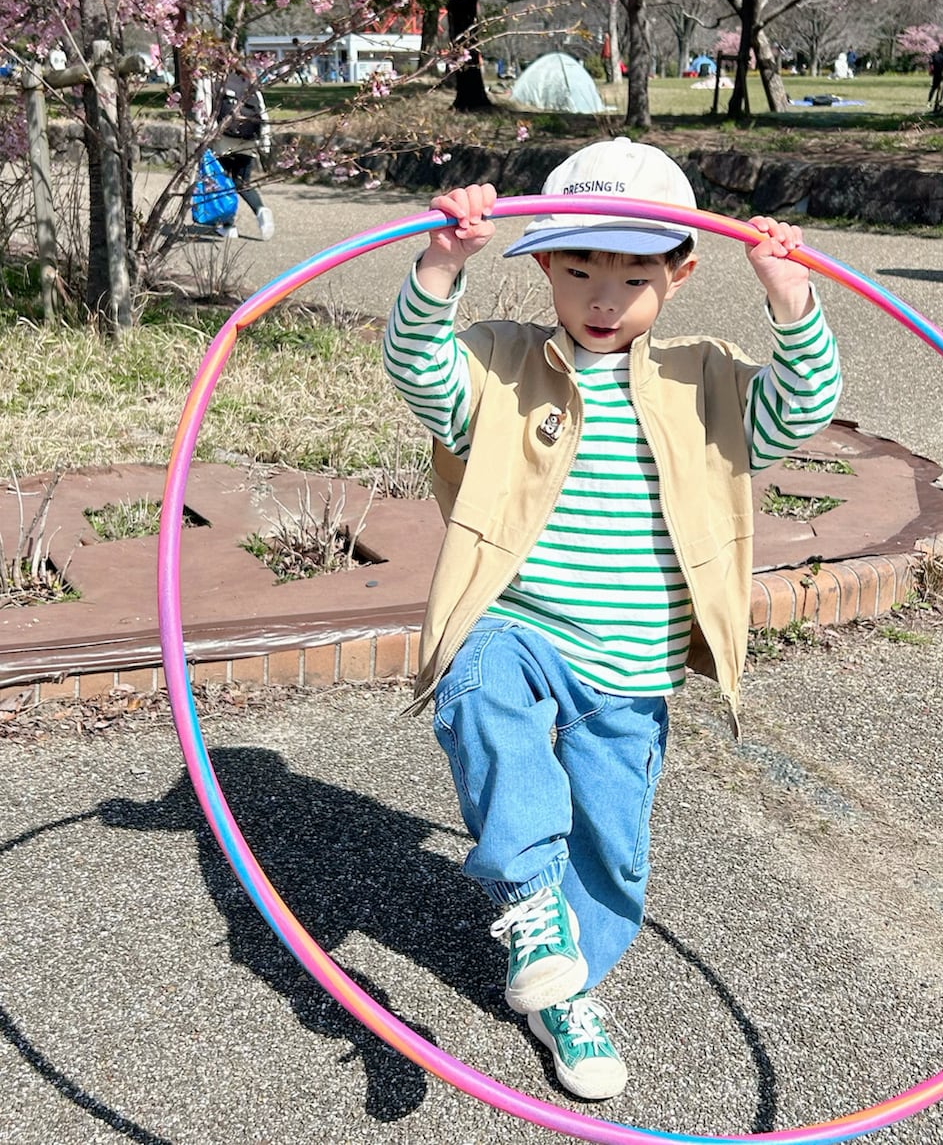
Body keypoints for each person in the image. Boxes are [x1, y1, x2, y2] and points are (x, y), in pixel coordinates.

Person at [382, 137, 842, 1101]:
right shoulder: (503, 362)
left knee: (614, 852)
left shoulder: (704, 378)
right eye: (579, 268)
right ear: (544, 263)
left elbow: (802, 408)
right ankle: (532, 904)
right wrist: (439, 270)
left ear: (679, 274)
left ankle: (564, 986)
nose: (602, 297)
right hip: (520, 622)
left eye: (633, 274)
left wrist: (789, 294)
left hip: (633, 666)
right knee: (481, 684)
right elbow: (423, 377)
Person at [195, 64, 275, 241]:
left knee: (221, 182)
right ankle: (260, 210)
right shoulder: (247, 81)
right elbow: (262, 113)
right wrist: (265, 141)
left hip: (222, 140)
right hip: (248, 139)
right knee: (242, 182)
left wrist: (201, 137)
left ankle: (228, 226)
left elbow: (203, 111)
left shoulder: (209, 81)